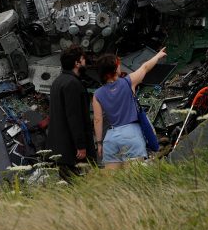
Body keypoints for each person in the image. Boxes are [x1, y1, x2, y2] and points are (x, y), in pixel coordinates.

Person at [92, 48, 166, 169]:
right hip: (131, 135)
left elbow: (97, 120)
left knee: (112, 181)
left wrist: (99, 144)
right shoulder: (128, 82)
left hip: (111, 138)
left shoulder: (97, 94)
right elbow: (145, 67)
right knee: (133, 178)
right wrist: (157, 56)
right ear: (115, 69)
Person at [47, 46, 94, 178]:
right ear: (77, 63)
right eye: (83, 59)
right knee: (78, 187)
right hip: (71, 150)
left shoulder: (58, 82)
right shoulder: (73, 84)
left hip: (59, 148)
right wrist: (81, 145)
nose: (85, 63)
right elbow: (74, 117)